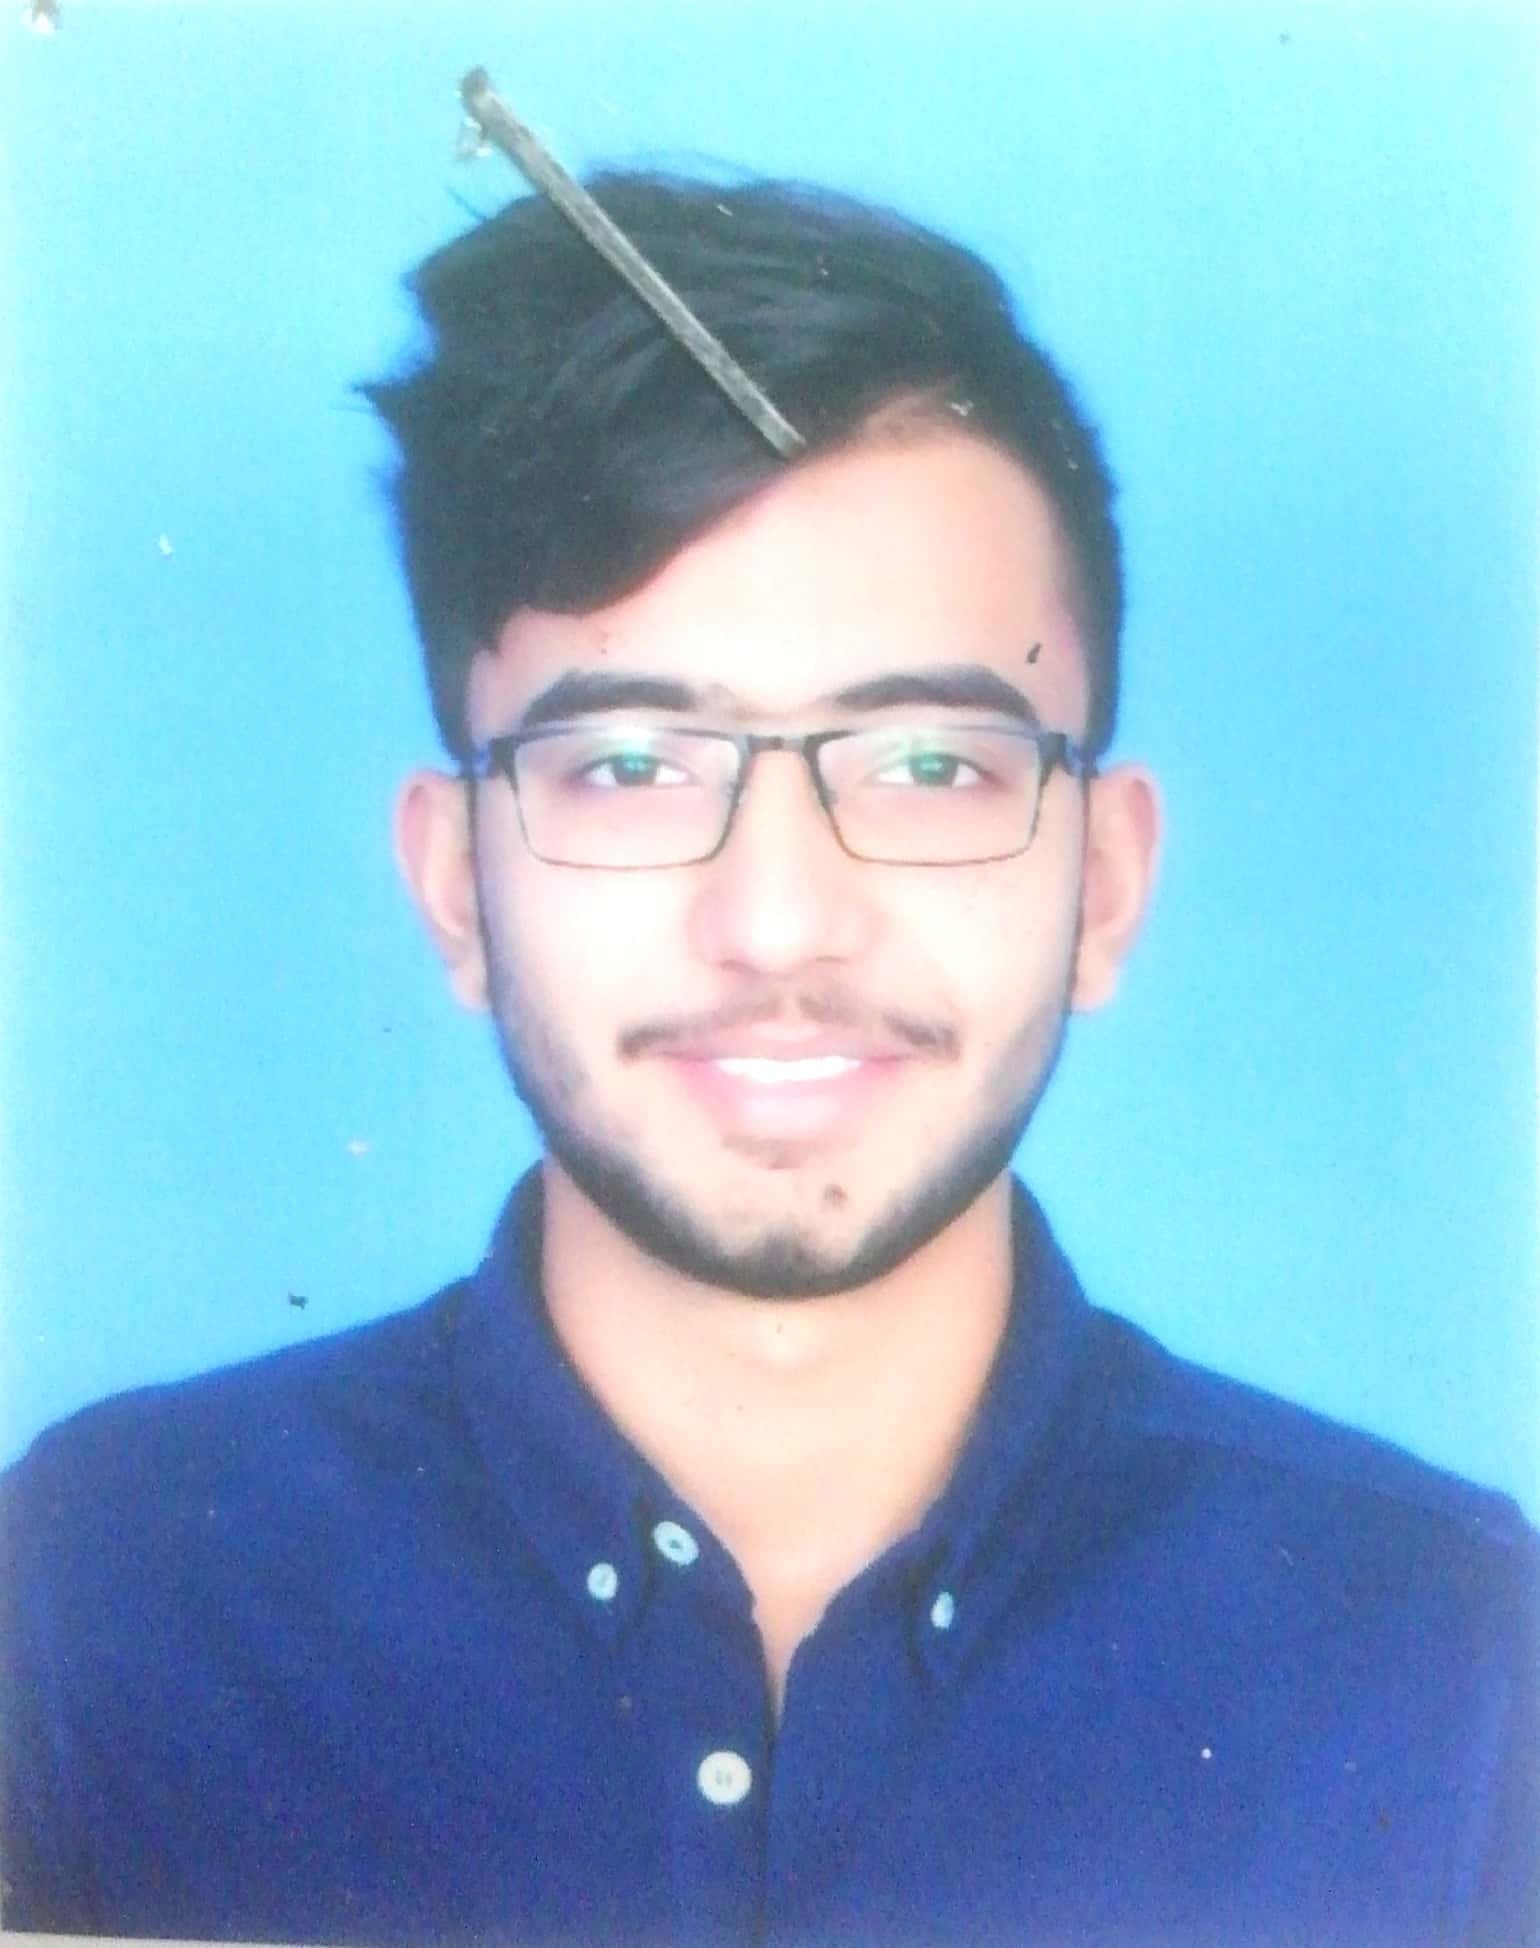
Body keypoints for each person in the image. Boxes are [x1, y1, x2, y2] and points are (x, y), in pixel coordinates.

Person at [1, 172, 1534, 1948]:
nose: (782, 924)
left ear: (1107, 885)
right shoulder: (93, 1606)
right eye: (632, 768)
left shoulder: (1452, 1665)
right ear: (456, 888)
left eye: (930, 765)